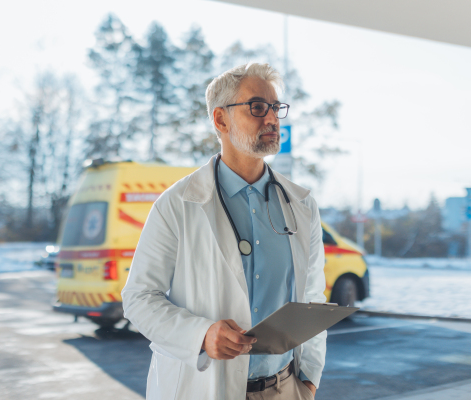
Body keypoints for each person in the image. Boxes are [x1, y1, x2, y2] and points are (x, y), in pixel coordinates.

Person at [122, 63, 326, 400]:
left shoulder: (302, 206)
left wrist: (308, 381)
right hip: (204, 387)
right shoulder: (177, 204)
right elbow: (139, 298)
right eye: (258, 107)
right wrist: (200, 335)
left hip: (285, 388)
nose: (272, 118)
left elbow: (313, 300)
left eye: (276, 108)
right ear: (221, 120)